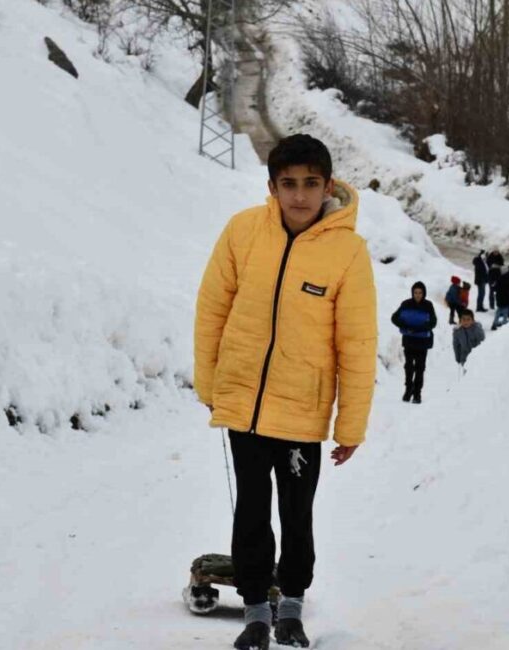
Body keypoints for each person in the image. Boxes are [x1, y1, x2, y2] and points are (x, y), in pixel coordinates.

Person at [194, 134, 378, 650]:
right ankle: (255, 611)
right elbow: (212, 310)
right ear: (271, 186)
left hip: (302, 411)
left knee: (297, 514)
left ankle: (291, 607)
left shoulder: (348, 251)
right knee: (251, 510)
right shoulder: (243, 231)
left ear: (328, 186)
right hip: (244, 407)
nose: (299, 196)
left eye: (310, 184)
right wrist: (211, 384)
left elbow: (357, 343)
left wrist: (351, 425)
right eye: (288, 184)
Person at [391, 281, 437, 404]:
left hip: (422, 341)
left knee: (420, 368)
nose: (417, 295)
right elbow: (394, 318)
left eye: (420, 293)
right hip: (409, 341)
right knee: (409, 367)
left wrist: (418, 329)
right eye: (415, 292)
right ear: (412, 293)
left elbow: (433, 322)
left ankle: (417, 393)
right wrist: (405, 327)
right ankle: (408, 389)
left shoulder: (428, 305)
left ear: (424, 293)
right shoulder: (406, 304)